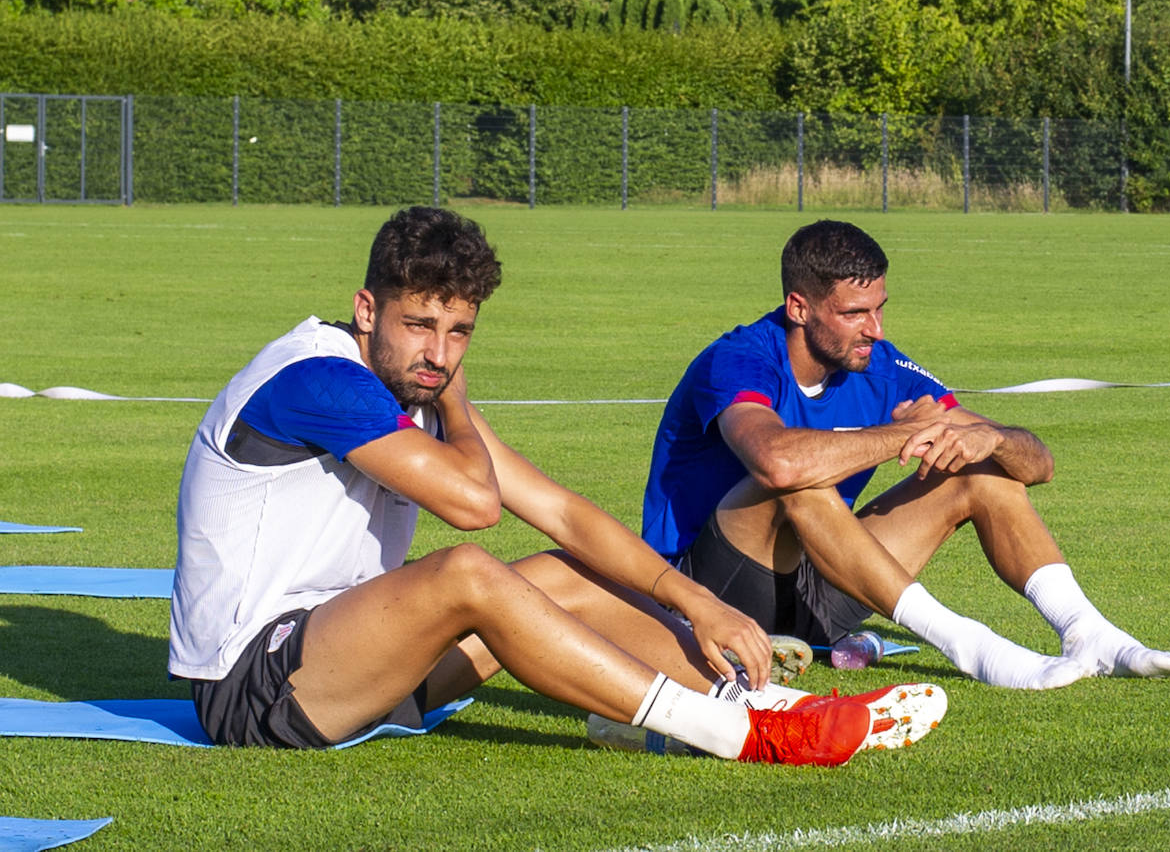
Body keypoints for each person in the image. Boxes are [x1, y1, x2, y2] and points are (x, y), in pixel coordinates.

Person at [168, 206, 945, 766]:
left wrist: (697, 601)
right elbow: (474, 507)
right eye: (419, 326)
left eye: (459, 331)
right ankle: (735, 735)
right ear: (366, 309)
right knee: (465, 574)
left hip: (361, 664)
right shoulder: (319, 379)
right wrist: (459, 404)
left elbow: (563, 514)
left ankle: (773, 706)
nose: (439, 354)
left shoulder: (407, 385)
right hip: (256, 688)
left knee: (568, 570)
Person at [642, 219, 1170, 690]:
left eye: (880, 309)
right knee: (797, 481)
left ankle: (1087, 632)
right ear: (799, 308)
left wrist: (992, 439)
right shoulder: (738, 358)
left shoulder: (880, 364)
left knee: (978, 467)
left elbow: (1038, 464)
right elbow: (777, 463)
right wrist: (899, 434)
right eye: (855, 313)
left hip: (815, 593)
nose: (875, 330)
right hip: (705, 597)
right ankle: (969, 644)